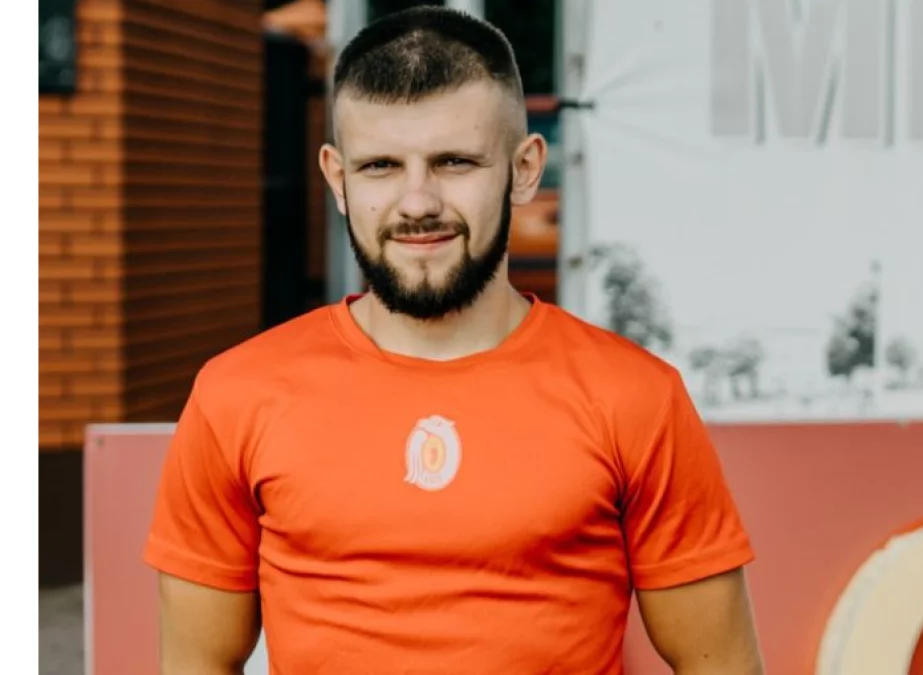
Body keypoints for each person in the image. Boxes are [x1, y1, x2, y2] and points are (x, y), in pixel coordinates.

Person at [144, 7, 763, 674]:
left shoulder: (634, 396)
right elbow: (197, 664)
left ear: (525, 169)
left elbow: (721, 665)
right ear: (338, 179)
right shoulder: (237, 395)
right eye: (381, 166)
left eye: (455, 162)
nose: (418, 202)